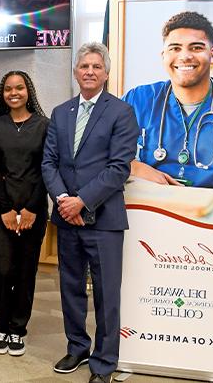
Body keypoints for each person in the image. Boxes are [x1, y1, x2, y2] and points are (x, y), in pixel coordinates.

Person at [41, 42, 139, 383]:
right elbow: (48, 162)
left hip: (104, 219)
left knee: (106, 293)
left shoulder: (121, 112)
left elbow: (119, 168)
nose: (90, 72)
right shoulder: (60, 112)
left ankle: (104, 363)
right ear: (75, 72)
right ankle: (77, 347)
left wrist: (82, 200)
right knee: (70, 287)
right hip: (67, 219)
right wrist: (63, 200)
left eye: (97, 67)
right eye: (84, 66)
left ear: (106, 73)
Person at [123, 11, 213, 213]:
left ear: (212, 54)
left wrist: (208, 211)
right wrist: (133, 166)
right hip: (146, 220)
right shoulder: (139, 99)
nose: (185, 56)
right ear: (164, 56)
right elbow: (97, 154)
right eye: (175, 48)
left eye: (196, 47)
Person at [0, 71, 49, 357]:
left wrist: (32, 209)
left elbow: (48, 169)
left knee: (25, 271)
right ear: (3, 93)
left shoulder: (45, 125)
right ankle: (1, 324)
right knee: (1, 269)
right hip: (2, 208)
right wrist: (6, 210)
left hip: (33, 208)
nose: (14, 93)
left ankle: (17, 328)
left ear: (28, 91)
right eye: (8, 88)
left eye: (19, 88)